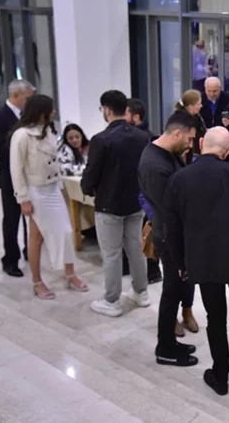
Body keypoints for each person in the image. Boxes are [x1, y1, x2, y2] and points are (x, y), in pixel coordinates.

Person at [164, 127, 229, 396]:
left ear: (201, 143)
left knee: (215, 317)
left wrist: (181, 262)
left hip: (203, 257)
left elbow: (172, 227)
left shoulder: (179, 179)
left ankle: (220, 375)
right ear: (228, 151)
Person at [9, 94, 88, 299]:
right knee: (36, 238)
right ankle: (37, 282)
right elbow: (16, 170)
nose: (54, 112)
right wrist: (23, 199)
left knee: (66, 231)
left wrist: (61, 189)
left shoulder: (50, 131)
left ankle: (69, 273)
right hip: (36, 191)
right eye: (50, 109)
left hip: (53, 188)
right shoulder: (22, 135)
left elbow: (56, 163)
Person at [81, 90, 150, 316]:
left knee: (111, 254)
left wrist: (86, 188)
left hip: (109, 203)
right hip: (135, 201)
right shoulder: (142, 136)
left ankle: (112, 301)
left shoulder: (101, 139)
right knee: (136, 250)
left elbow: (92, 172)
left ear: (107, 110)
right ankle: (141, 293)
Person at [138, 111, 198, 367]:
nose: (191, 144)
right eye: (190, 138)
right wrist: (182, 256)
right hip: (169, 237)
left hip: (174, 234)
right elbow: (170, 213)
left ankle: (170, 343)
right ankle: (164, 348)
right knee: (170, 292)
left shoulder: (165, 154)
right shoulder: (155, 166)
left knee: (175, 291)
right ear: (177, 133)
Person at [0, 79, 34, 277]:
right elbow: (1, 149)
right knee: (12, 219)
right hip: (10, 178)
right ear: (16, 95)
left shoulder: (26, 116)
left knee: (30, 216)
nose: (29, 102)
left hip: (29, 176)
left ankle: (29, 250)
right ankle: (10, 259)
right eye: (27, 98)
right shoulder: (0, 117)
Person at [126, 98, 162, 284]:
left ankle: (152, 272)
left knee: (144, 233)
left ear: (136, 116)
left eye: (125, 113)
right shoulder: (146, 136)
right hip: (139, 191)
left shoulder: (142, 138)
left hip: (141, 193)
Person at [174, 89, 207, 164]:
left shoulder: (194, 116)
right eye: (199, 104)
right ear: (191, 106)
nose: (201, 106)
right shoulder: (184, 120)